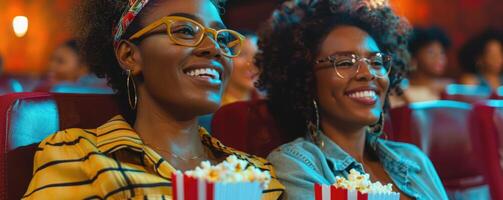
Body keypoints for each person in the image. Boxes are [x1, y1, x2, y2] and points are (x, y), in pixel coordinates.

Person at [22, 0, 283, 199]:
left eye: (222, 38)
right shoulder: (78, 155)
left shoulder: (257, 173)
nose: (214, 47)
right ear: (129, 55)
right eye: (185, 30)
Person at [258, 0, 448, 199]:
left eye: (376, 61)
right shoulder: (295, 164)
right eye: (345, 62)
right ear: (306, 78)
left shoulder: (413, 159)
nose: (367, 73)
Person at [390, 27, 452, 107]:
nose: (439, 57)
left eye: (442, 52)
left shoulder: (451, 88)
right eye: (431, 52)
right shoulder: (400, 90)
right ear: (413, 57)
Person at [222, 30, 262, 105]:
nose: (252, 64)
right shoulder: (209, 108)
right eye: (243, 54)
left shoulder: (267, 110)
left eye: (258, 56)